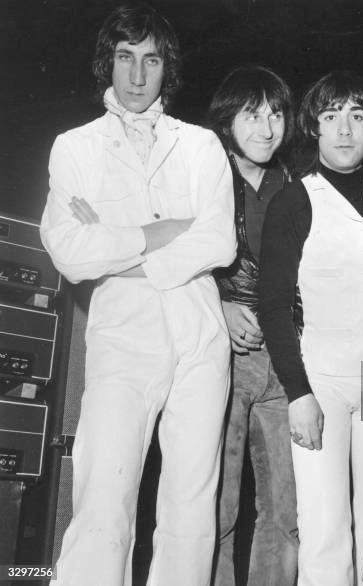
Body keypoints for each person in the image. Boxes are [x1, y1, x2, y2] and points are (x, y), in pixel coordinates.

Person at [40, 5, 236, 585]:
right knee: (104, 494)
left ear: (165, 69)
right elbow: (70, 253)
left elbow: (219, 239)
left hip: (199, 335)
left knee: (191, 506)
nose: (136, 74)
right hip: (122, 337)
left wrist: (118, 249)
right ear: (110, 63)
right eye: (125, 57)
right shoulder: (75, 147)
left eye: (150, 60)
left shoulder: (200, 146)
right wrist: (160, 232)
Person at [259, 70, 363, 586]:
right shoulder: (295, 201)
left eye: (357, 116)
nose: (344, 130)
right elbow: (273, 306)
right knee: (323, 524)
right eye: (330, 116)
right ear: (314, 129)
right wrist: (298, 394)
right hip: (321, 378)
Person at [206, 65, 298, 586]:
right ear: (228, 121)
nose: (266, 128)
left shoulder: (299, 184)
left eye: (276, 114)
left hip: (286, 364)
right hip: (225, 357)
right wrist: (218, 304)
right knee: (216, 509)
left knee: (286, 514)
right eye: (252, 114)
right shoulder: (205, 176)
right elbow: (171, 259)